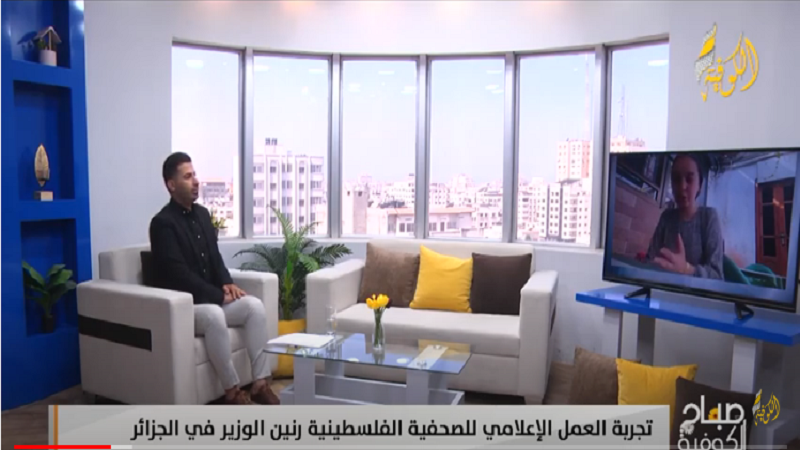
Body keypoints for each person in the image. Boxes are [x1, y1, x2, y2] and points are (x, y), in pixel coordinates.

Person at [149, 152, 279, 405]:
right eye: (188, 177)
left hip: (211, 298)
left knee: (254, 307)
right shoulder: (162, 224)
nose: (196, 181)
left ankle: (260, 383)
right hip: (185, 307)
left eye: (194, 175)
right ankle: (232, 391)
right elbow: (178, 275)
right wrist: (219, 295)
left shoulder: (202, 214)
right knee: (214, 315)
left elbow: (214, 257)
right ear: (171, 185)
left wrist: (227, 282)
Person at [646, 153, 724, 279]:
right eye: (676, 179)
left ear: (699, 185)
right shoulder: (666, 217)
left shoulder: (709, 217)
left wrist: (686, 269)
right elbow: (651, 258)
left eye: (689, 179)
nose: (682, 187)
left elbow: (717, 276)